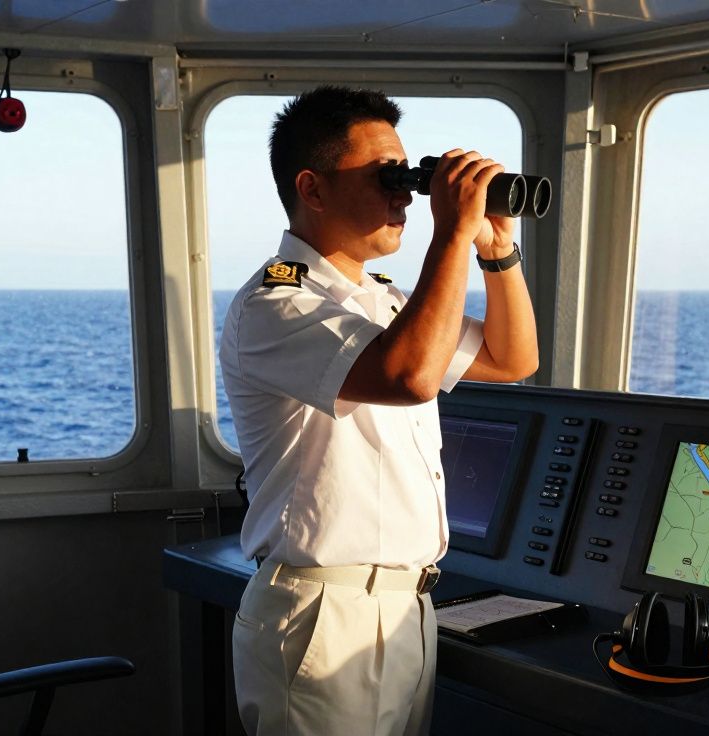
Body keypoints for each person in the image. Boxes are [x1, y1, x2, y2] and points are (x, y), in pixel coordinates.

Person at [219, 85, 538, 735]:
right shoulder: (275, 304)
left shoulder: (385, 303)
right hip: (323, 616)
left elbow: (513, 360)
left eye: (407, 175)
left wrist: (494, 248)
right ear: (313, 188)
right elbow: (412, 374)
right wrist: (449, 231)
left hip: (406, 611)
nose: (404, 195)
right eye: (386, 177)